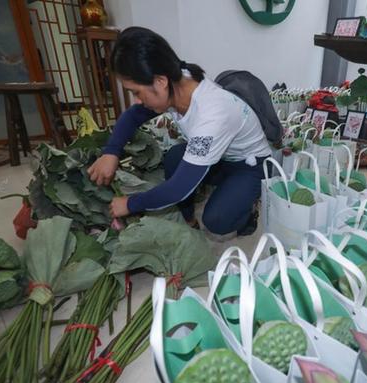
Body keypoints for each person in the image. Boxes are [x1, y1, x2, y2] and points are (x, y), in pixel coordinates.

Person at [87, 27, 271, 236]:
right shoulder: (178, 78)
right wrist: (111, 152)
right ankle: (189, 218)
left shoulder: (211, 115)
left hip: (251, 165)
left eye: (136, 92)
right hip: (222, 156)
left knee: (217, 221)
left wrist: (130, 203)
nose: (136, 100)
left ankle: (249, 211)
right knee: (175, 157)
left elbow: (178, 188)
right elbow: (134, 115)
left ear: (160, 82)